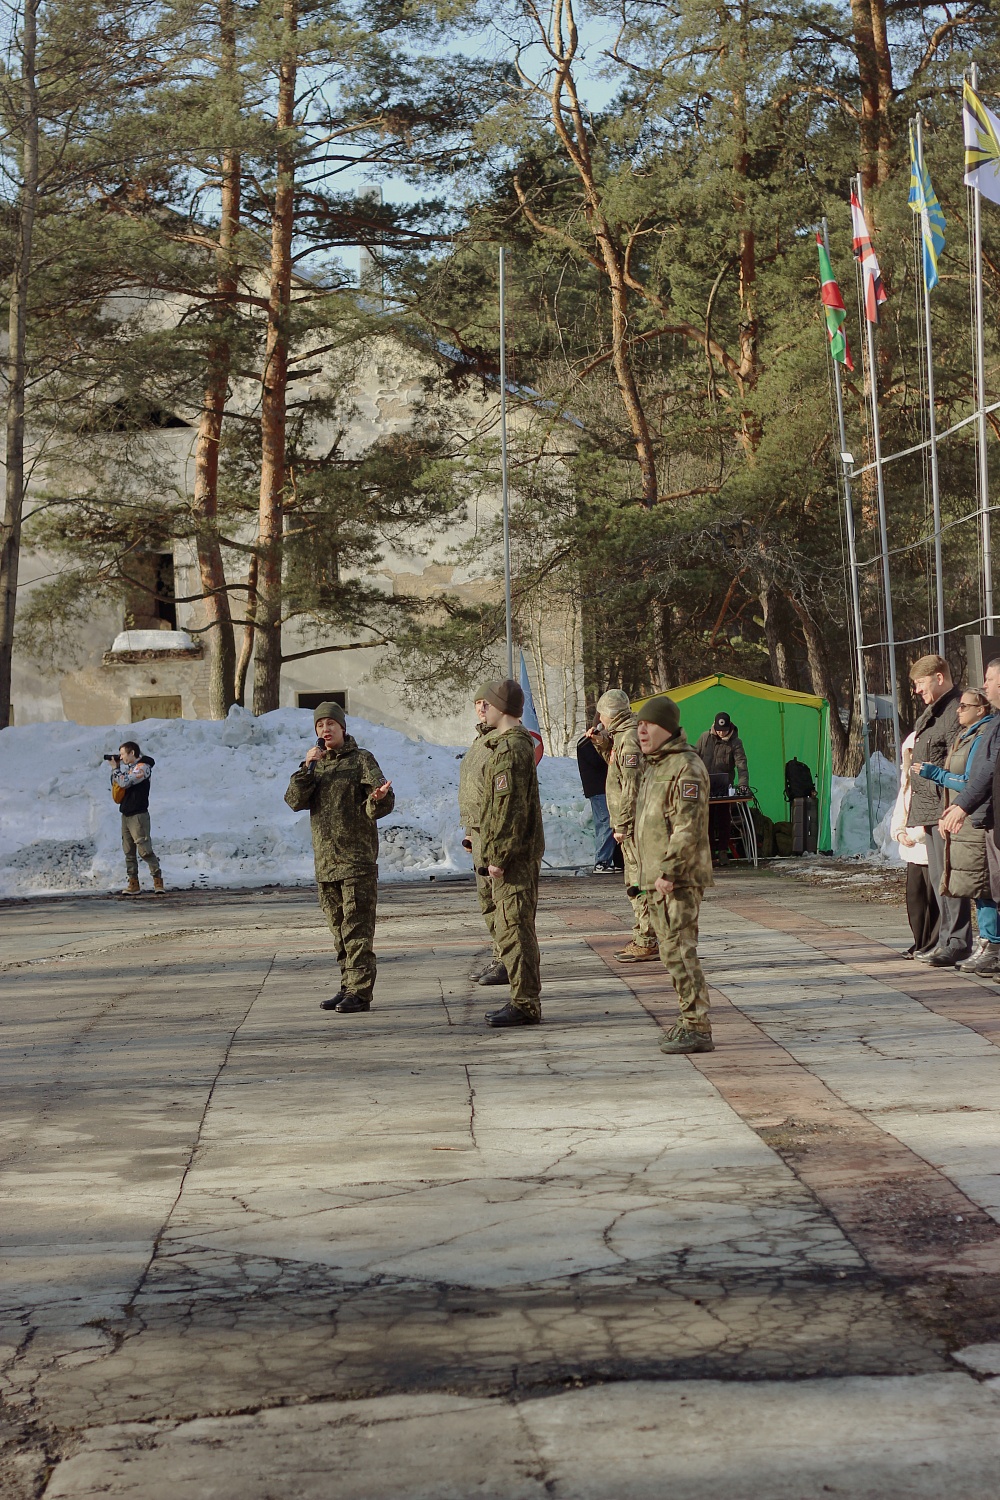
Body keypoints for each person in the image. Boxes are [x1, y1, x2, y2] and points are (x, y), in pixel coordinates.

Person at [284, 701, 394, 1014]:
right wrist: (306, 768)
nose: (325, 730)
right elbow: (294, 801)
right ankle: (347, 985)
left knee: (357, 929)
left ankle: (360, 992)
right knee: (339, 930)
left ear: (342, 727)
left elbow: (382, 801)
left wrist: (378, 798)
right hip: (326, 863)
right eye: (320, 725)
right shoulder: (314, 766)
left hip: (356, 860)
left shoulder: (361, 760)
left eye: (331, 724)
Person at [634, 695, 715, 1054]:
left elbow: (688, 825)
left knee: (681, 952)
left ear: (667, 727)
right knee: (670, 953)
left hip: (677, 879)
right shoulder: (656, 764)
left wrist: (669, 870)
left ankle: (697, 1027)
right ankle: (688, 1019)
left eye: (648, 724)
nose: (641, 730)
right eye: (639, 724)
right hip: (657, 878)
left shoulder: (687, 766)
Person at [477, 678, 545, 1028]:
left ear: (500, 707)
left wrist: (499, 857)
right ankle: (523, 999)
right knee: (514, 928)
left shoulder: (510, 750)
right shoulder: (510, 745)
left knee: (516, 930)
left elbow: (509, 810)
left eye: (486, 704)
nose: (481, 710)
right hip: (515, 855)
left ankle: (525, 1003)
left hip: (513, 859)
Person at [917, 689, 998, 973]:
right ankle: (984, 944)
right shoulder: (967, 735)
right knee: (974, 886)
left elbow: (971, 781)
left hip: (976, 818)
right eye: (959, 706)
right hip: (963, 818)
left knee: (981, 885)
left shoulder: (985, 734)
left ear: (981, 709)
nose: (958, 710)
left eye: (964, 706)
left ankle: (989, 944)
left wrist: (937, 775)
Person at [906, 654, 970, 965]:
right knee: (938, 879)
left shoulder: (955, 710)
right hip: (931, 807)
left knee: (949, 878)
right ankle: (945, 941)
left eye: (921, 683)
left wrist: (952, 804)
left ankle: (957, 942)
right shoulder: (935, 710)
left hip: (946, 807)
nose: (917, 690)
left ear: (939, 678)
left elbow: (958, 761)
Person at [591, 688, 657, 963]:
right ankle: (647, 935)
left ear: (611, 714)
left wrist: (622, 823)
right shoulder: (622, 736)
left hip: (635, 823)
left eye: (602, 715)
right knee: (636, 879)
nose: (600, 720)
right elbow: (616, 766)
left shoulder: (629, 739)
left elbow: (631, 786)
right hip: (635, 822)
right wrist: (602, 744)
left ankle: (648, 940)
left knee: (638, 881)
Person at [460, 687, 506, 986]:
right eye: (477, 703)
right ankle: (499, 954)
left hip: (494, 831)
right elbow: (473, 788)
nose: (481, 708)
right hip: (478, 831)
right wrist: (469, 831)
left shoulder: (502, 742)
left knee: (501, 899)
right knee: (487, 899)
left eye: (486, 703)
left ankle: (508, 960)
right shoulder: (480, 741)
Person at [889, 732, 938, 959]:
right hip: (912, 851)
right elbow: (900, 809)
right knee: (915, 900)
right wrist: (899, 832)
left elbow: (932, 811)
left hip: (929, 848)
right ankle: (919, 941)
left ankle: (932, 942)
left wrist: (917, 834)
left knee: (932, 900)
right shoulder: (907, 780)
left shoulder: (930, 778)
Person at [109, 741, 164, 896]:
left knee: (144, 850)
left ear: (132, 753)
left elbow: (124, 782)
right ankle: (133, 883)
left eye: (122, 754)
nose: (121, 757)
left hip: (138, 815)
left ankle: (157, 880)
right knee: (129, 851)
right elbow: (116, 784)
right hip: (126, 814)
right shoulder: (130, 769)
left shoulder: (143, 768)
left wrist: (115, 769)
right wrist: (116, 769)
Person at [695, 712, 749, 864]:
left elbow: (741, 765)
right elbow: (694, 758)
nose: (721, 733)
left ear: (729, 728)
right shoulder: (704, 738)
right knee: (707, 819)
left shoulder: (735, 743)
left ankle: (723, 851)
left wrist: (743, 785)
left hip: (725, 787)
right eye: (718, 730)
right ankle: (710, 852)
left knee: (724, 819)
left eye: (724, 731)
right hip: (705, 785)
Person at [576, 723, 619, 872]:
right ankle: (602, 860)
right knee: (605, 822)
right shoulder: (586, 744)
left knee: (607, 822)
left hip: (600, 788)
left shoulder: (586, 743)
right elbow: (599, 762)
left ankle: (613, 859)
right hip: (599, 788)